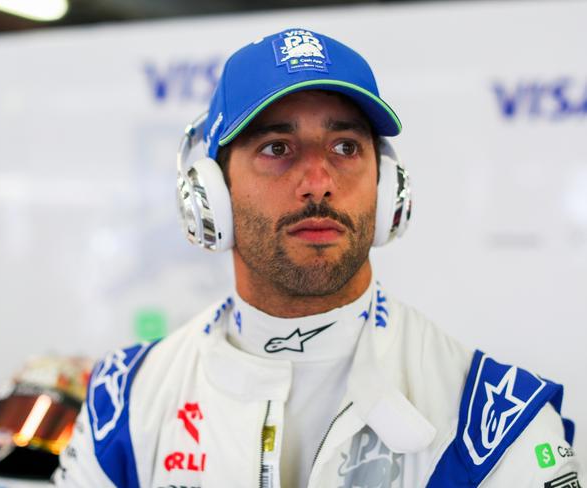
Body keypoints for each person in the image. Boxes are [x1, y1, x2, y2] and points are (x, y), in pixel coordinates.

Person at [54, 28, 583, 488]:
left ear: (388, 188)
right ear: (210, 196)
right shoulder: (123, 404)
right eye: (277, 148)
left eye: (346, 148)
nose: (319, 182)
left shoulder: (497, 419)